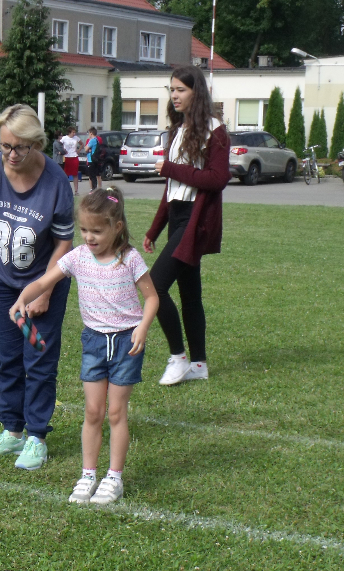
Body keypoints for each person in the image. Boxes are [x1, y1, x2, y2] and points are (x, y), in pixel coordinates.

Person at [11, 187, 159, 505]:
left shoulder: (130, 259)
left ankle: (114, 478)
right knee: (93, 412)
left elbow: (152, 298)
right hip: (94, 342)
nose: (89, 237)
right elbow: (44, 281)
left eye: (96, 230)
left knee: (116, 412)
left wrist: (143, 328)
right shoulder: (77, 257)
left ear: (116, 227)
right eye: (84, 230)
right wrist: (24, 297)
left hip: (125, 343)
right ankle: (88, 474)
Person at [0, 104, 75, 471]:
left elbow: (64, 243)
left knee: (40, 362)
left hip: (42, 283)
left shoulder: (56, 182)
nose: (11, 155)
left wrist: (45, 290)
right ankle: (12, 431)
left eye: (19, 147)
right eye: (4, 146)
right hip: (0, 284)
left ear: (36, 143)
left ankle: (36, 437)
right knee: (7, 360)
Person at [143, 64, 230, 386]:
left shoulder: (215, 130)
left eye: (180, 89)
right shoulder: (179, 129)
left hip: (196, 220)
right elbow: (172, 192)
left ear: (197, 92)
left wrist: (169, 167)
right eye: (172, 89)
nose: (174, 95)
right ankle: (198, 365)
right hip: (179, 216)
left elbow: (218, 179)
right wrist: (154, 230)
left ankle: (178, 357)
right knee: (190, 295)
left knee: (154, 285)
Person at [61, 126, 82, 196]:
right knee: (65, 174)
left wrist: (78, 151)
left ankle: (76, 191)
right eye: (73, 132)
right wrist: (63, 151)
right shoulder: (64, 138)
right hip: (67, 157)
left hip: (74, 157)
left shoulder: (76, 138)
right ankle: (65, 190)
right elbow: (59, 145)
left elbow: (82, 144)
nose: (74, 133)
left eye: (75, 132)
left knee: (75, 174)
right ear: (69, 132)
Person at [85, 127, 101, 192]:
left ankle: (94, 189)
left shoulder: (92, 140)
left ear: (91, 133)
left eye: (89, 133)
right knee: (94, 175)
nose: (88, 134)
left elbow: (86, 149)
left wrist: (87, 148)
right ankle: (95, 189)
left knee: (92, 176)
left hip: (91, 160)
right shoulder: (97, 140)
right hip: (95, 159)